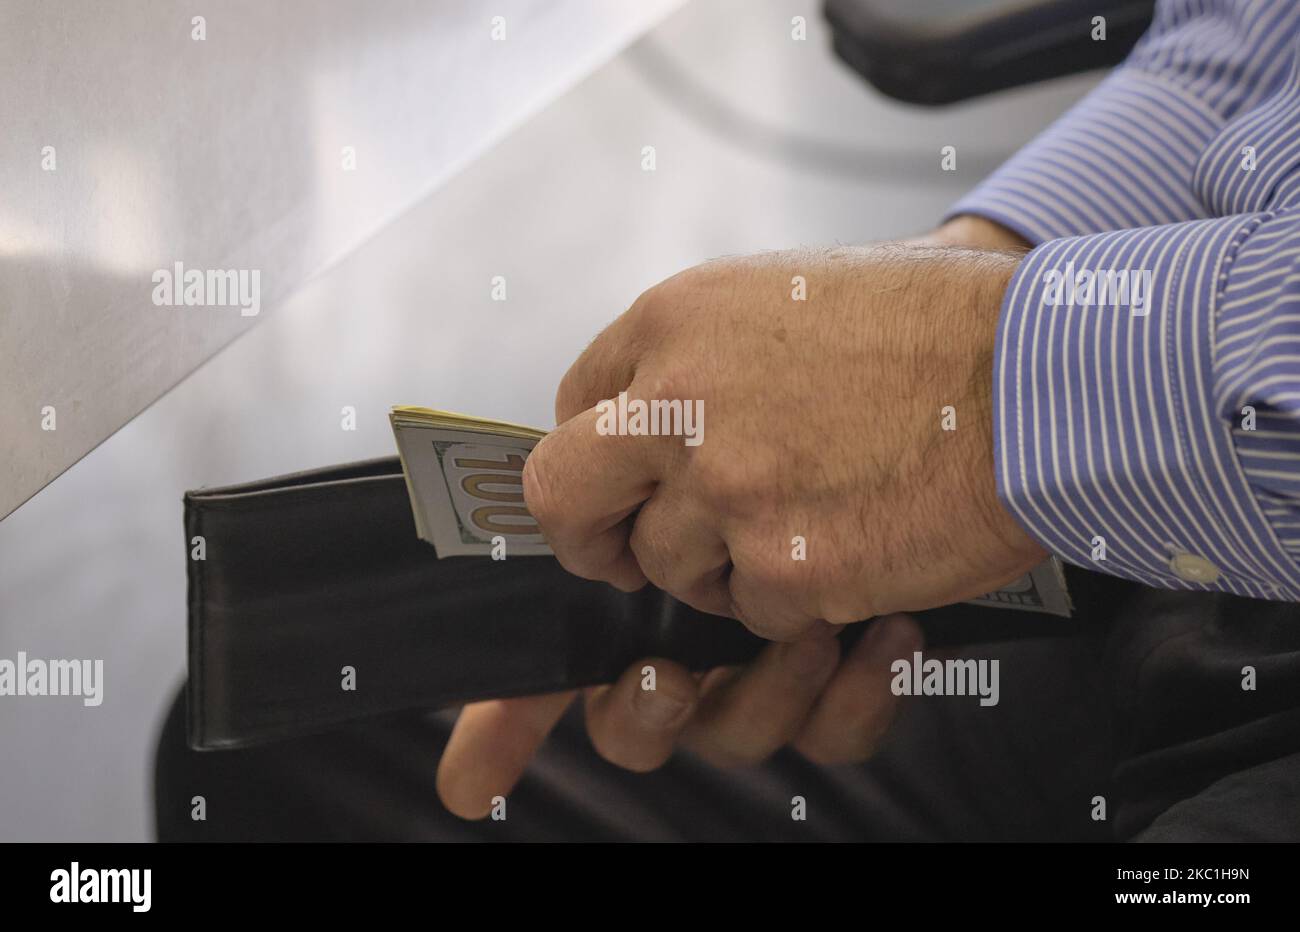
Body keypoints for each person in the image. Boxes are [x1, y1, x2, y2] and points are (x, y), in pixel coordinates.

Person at [156, 0, 1300, 841]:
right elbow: (1253, 38)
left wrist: (994, 385)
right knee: (310, 757)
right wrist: (979, 276)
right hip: (1180, 553)